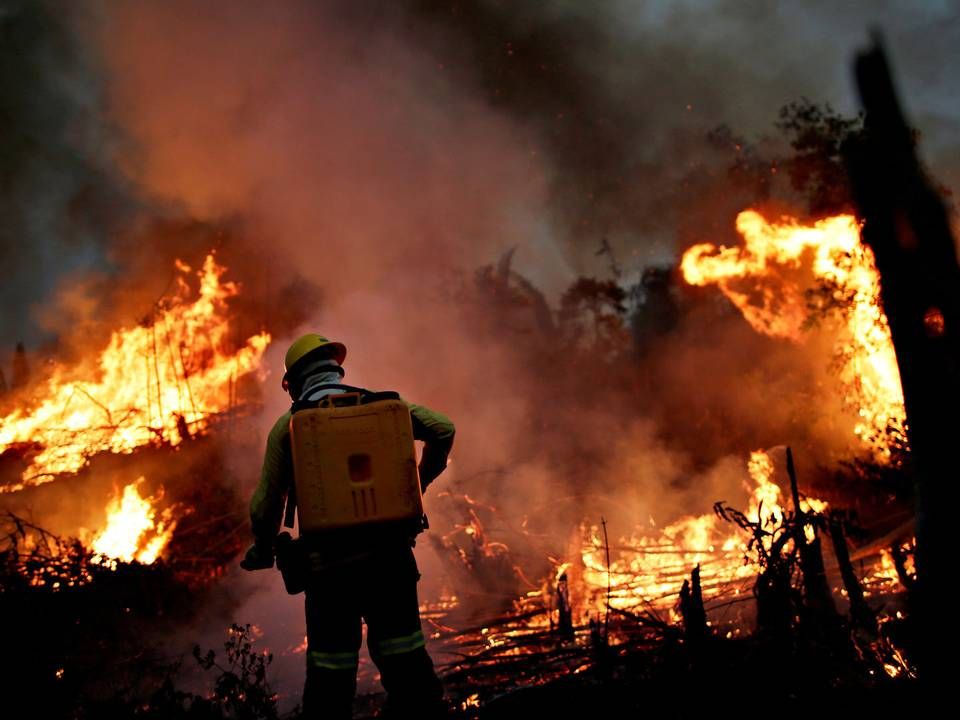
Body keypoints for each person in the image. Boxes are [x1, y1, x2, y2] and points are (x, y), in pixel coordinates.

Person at [240, 333, 454, 718]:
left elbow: (265, 506)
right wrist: (418, 485)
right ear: (336, 370)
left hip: (329, 574)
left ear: (294, 384)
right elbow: (443, 429)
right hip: (392, 563)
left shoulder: (289, 427)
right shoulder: (386, 407)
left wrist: (262, 547)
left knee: (330, 678)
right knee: (407, 666)